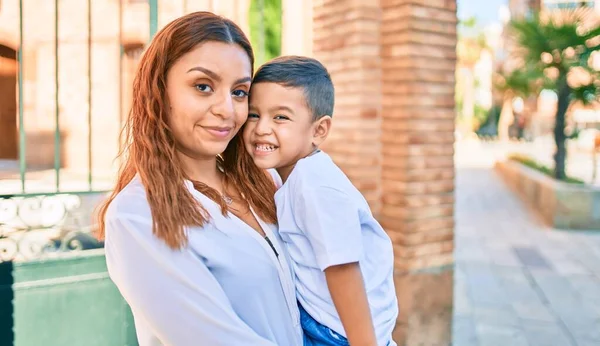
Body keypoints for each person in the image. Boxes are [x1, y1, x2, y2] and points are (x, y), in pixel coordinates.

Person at [96, 12, 302, 346]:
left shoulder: (267, 184)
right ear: (159, 92)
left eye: (239, 92)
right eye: (203, 87)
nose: (227, 109)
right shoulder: (138, 215)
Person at [243, 56, 399, 346]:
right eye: (254, 114)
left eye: (280, 117)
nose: (262, 127)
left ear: (318, 131)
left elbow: (343, 269)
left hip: (338, 334)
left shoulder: (315, 186)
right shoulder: (293, 177)